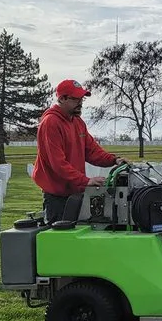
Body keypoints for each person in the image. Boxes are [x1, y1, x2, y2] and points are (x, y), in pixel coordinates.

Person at [32, 79, 127, 222]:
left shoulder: (77, 122)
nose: (80, 102)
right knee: (60, 240)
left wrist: (114, 160)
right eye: (76, 99)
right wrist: (85, 181)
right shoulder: (51, 123)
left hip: (75, 191)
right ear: (62, 99)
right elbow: (58, 164)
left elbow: (92, 151)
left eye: (82, 99)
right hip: (57, 196)